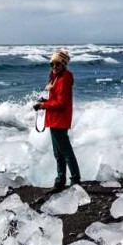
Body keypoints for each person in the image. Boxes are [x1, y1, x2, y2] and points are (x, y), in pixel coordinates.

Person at [35, 49, 81, 188]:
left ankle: (75, 181)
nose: (54, 67)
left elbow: (61, 103)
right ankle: (60, 181)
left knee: (65, 152)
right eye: (52, 64)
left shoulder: (64, 80)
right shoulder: (57, 78)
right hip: (55, 120)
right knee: (58, 153)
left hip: (59, 120)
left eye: (57, 64)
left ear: (64, 65)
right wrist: (45, 100)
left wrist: (43, 105)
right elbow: (56, 99)